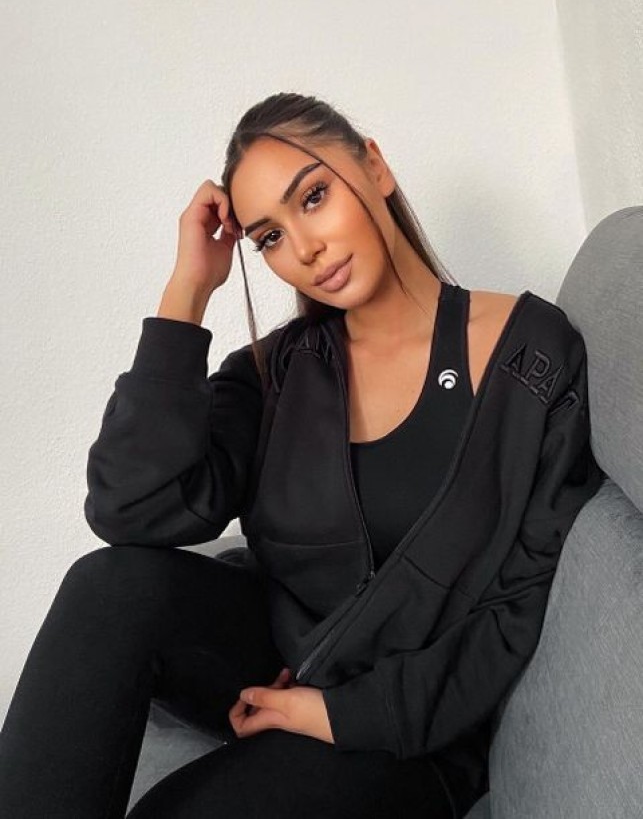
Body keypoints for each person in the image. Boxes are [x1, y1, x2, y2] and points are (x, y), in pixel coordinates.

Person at [0, 93, 604, 819]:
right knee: (106, 585)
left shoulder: (530, 358)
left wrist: (336, 713)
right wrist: (187, 289)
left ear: (374, 167)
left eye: (313, 197)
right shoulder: (279, 371)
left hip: (402, 728)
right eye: (270, 237)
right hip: (279, 657)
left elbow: (521, 600)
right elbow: (131, 508)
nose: (305, 249)